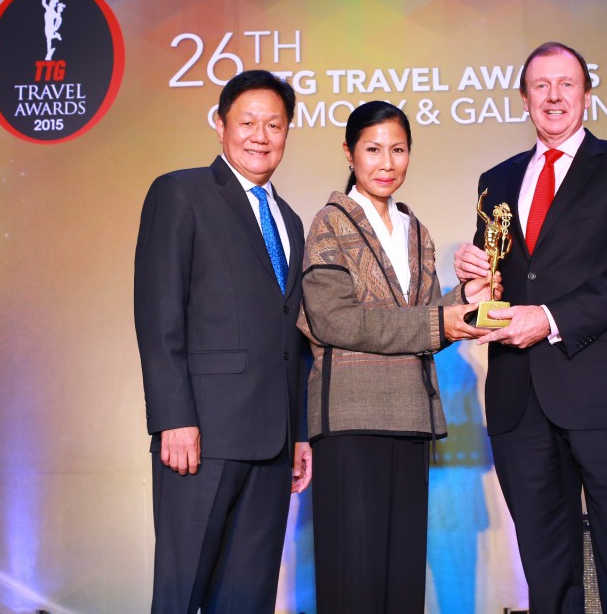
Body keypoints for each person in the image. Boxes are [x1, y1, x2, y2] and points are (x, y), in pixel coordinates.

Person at [455, 42, 607, 613]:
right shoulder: (496, 180)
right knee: (547, 574)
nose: (554, 96)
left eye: (566, 84)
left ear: (586, 94)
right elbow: (496, 288)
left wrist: (549, 319)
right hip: (519, 400)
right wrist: (473, 287)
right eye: (541, 86)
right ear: (525, 98)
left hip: (605, 395)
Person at [298, 101, 496, 614]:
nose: (387, 162)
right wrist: (437, 321)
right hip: (350, 418)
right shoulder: (328, 224)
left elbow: (429, 320)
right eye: (373, 149)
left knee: (401, 581)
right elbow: (334, 320)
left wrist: (467, 299)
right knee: (354, 580)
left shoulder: (416, 230)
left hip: (409, 415)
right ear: (349, 152)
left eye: (399, 149)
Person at [134, 69, 312, 614]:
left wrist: (299, 432)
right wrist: (173, 419)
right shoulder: (180, 192)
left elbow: (293, 337)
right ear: (220, 126)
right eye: (247, 122)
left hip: (273, 444)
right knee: (183, 591)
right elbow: (158, 312)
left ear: (287, 132)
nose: (260, 136)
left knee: (248, 597)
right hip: (202, 437)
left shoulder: (290, 219)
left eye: (274, 125)